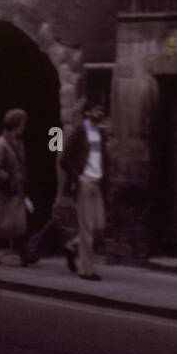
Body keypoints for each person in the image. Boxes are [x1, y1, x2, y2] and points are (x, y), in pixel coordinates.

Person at [0, 107, 37, 267]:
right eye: (22, 124)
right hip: (0, 190)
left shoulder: (19, 142)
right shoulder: (1, 143)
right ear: (15, 125)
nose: (24, 127)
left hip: (15, 189)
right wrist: (8, 179)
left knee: (21, 221)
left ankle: (24, 253)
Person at [60, 103, 109, 281]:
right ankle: (86, 271)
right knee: (87, 229)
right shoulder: (80, 132)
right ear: (87, 113)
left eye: (102, 110)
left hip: (97, 184)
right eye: (97, 109)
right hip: (85, 183)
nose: (101, 112)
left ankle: (72, 246)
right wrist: (78, 178)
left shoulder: (101, 134)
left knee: (99, 227)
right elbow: (64, 160)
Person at [26, 151, 79, 271]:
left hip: (69, 183)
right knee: (60, 219)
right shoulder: (66, 135)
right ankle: (34, 246)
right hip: (68, 184)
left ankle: (36, 246)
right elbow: (63, 159)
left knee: (65, 221)